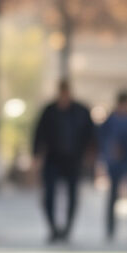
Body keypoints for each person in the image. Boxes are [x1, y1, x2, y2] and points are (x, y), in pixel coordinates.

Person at [32, 79, 95, 244]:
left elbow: (91, 134)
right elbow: (38, 133)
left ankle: (67, 229)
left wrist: (90, 154)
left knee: (73, 196)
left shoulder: (81, 111)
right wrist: (36, 155)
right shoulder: (49, 111)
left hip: (73, 160)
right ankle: (53, 228)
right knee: (49, 196)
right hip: (52, 158)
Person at [97, 90, 127, 241]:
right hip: (115, 162)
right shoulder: (110, 120)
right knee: (113, 196)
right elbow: (103, 140)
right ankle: (110, 229)